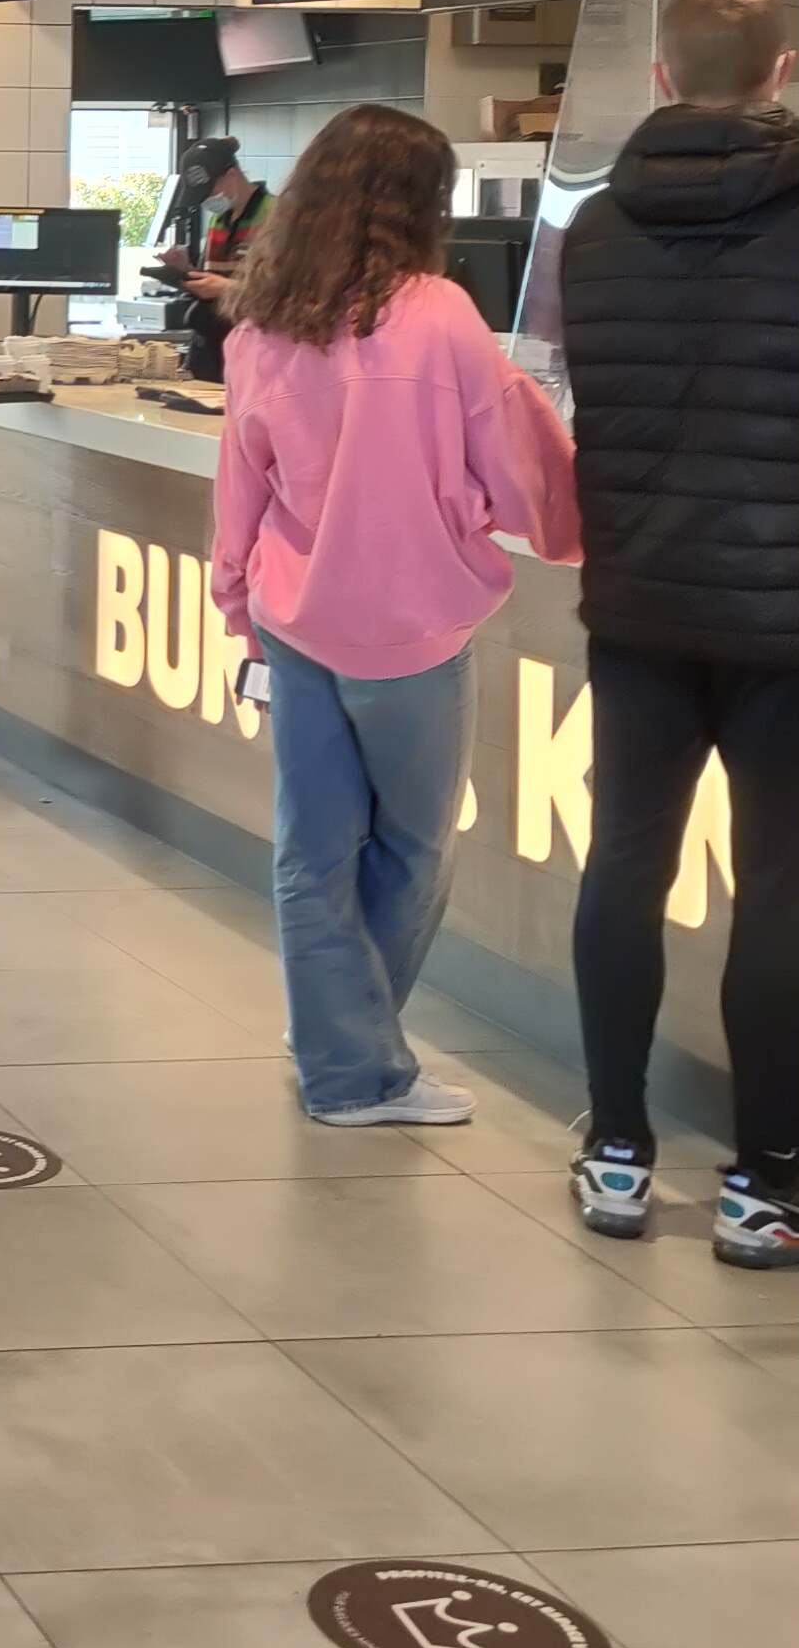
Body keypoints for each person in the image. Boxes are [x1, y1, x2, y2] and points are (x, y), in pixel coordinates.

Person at [211, 103, 577, 1123]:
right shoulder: (442, 313)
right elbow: (515, 466)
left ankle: (334, 1039)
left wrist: (237, 601)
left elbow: (240, 486)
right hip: (414, 629)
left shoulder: (262, 324)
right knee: (414, 851)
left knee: (312, 850)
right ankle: (357, 1065)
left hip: (294, 622)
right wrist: (568, 523)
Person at [556, 0, 799, 1264]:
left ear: (660, 76)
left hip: (639, 602)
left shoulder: (593, 228)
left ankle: (615, 1149)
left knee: (624, 866)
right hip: (783, 618)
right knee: (780, 886)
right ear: (782, 72)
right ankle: (765, 1184)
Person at [148, 134, 271, 378]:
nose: (208, 200)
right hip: (209, 349)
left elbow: (283, 294)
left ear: (231, 174)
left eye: (210, 190)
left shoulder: (275, 216)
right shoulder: (218, 219)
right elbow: (212, 280)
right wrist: (186, 269)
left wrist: (228, 288)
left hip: (252, 352)